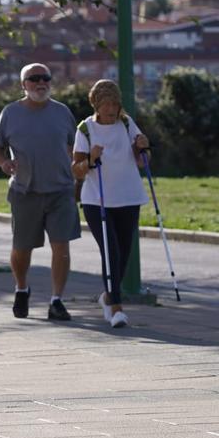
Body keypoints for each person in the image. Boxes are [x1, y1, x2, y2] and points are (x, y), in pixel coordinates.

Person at [0, 63, 81, 321]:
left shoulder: (62, 112)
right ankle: (21, 288)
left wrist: (81, 167)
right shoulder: (11, 113)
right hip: (24, 191)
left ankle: (56, 301)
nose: (41, 83)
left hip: (61, 190)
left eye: (45, 78)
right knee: (22, 249)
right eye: (34, 79)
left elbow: (75, 147)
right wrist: (3, 162)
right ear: (23, 85)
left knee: (61, 247)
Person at [71, 79, 150, 328]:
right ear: (96, 104)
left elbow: (142, 162)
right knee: (111, 251)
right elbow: (77, 171)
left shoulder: (126, 124)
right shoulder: (85, 129)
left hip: (128, 196)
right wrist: (91, 158)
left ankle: (107, 296)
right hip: (98, 200)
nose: (111, 109)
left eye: (114, 103)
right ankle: (116, 308)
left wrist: (143, 148)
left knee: (123, 253)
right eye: (105, 104)